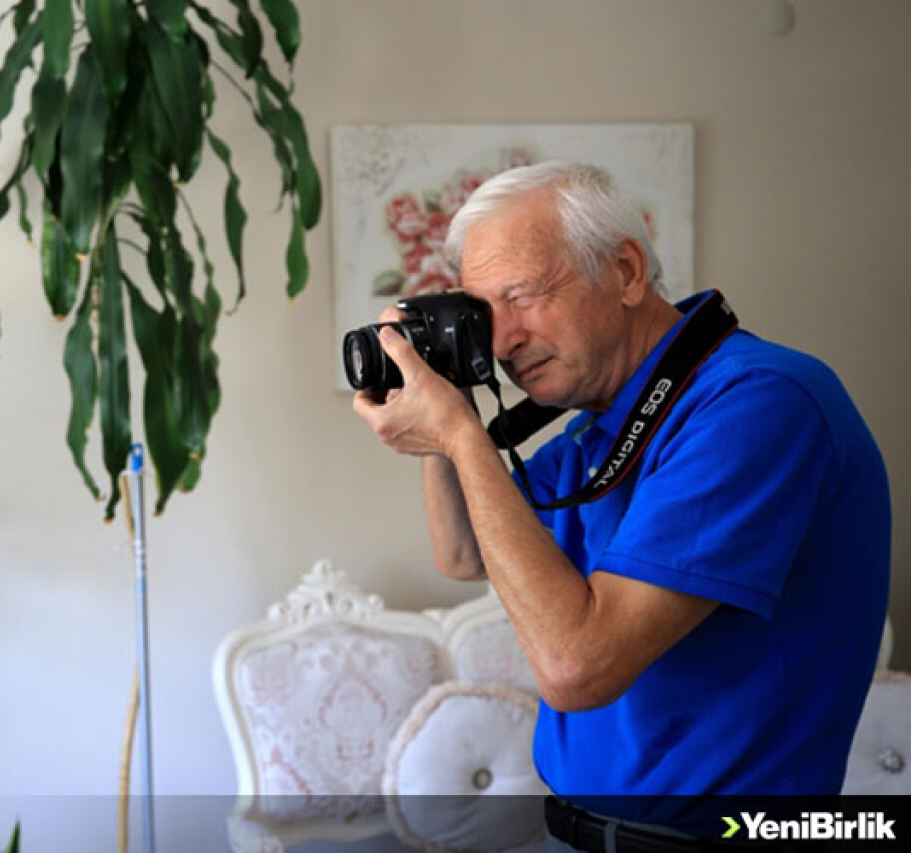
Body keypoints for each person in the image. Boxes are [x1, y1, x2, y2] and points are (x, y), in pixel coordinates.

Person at [352, 162, 891, 847]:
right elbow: (462, 553)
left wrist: (460, 436)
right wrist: (444, 409)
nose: (504, 340)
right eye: (488, 313)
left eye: (522, 295)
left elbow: (579, 666)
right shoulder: (595, 430)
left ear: (627, 272)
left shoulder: (759, 403)